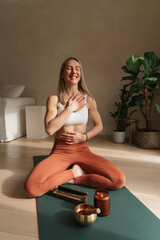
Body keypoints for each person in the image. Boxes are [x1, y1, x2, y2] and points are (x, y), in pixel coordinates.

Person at [24, 57, 126, 197]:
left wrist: (84, 137)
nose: (74, 71)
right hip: (61, 151)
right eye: (69, 68)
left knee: (118, 180)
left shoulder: (89, 99)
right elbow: (49, 129)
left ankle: (75, 178)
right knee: (31, 188)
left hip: (82, 149)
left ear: (80, 74)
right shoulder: (54, 99)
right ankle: (73, 172)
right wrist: (69, 109)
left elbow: (99, 125)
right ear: (62, 74)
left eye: (77, 68)